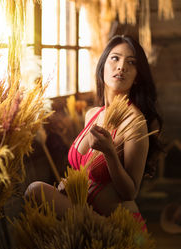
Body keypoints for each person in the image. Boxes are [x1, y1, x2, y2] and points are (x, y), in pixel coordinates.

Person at [25, 35, 163, 223]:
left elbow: (130, 192)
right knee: (35, 192)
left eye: (131, 62)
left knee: (35, 189)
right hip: (84, 219)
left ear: (138, 76)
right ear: (102, 66)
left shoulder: (134, 122)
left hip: (116, 226)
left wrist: (109, 153)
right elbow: (88, 172)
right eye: (115, 58)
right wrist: (73, 184)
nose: (121, 66)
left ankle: (99, 227)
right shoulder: (93, 115)